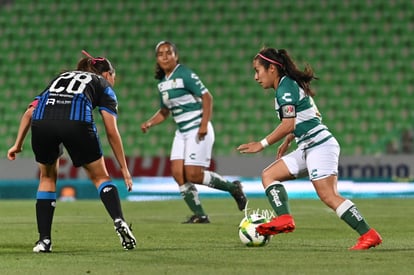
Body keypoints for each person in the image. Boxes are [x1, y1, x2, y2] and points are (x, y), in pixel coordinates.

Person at [236, 47, 382, 250]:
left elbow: (289, 123)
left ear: (272, 69)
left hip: (320, 146)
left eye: (257, 70)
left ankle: (369, 234)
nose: (255, 77)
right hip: (308, 146)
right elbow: (309, 117)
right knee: (269, 175)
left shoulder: (285, 87)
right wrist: (289, 139)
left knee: (329, 196)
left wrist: (261, 144)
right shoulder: (287, 86)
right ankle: (285, 219)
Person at [7, 50, 136, 252]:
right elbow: (112, 131)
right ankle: (119, 219)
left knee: (47, 178)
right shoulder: (103, 85)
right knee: (100, 177)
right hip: (77, 121)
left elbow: (30, 112)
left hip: (43, 122)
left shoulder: (61, 77)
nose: (113, 81)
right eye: (114, 76)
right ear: (107, 74)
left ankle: (44, 241)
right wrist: (124, 169)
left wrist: (17, 144)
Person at [141, 41, 247, 223]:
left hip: (197, 128)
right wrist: (150, 123)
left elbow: (207, 97)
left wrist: (204, 124)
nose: (165, 56)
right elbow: (165, 111)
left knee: (193, 175)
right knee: (177, 174)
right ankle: (200, 215)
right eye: (160, 54)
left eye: (169, 52)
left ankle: (233, 188)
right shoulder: (162, 84)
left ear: (176, 56)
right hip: (181, 132)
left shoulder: (185, 74)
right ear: (157, 59)